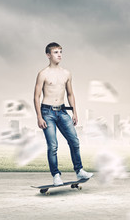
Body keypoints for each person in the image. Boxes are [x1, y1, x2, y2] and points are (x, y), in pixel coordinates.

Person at [34, 42, 93, 186]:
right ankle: (56, 175)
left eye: (60, 51)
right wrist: (39, 117)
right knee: (53, 146)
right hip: (47, 112)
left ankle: (79, 170)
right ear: (48, 55)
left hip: (62, 111)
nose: (59, 54)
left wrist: (75, 112)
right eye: (55, 52)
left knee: (74, 141)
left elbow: (70, 94)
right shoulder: (43, 74)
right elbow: (36, 97)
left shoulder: (67, 73)